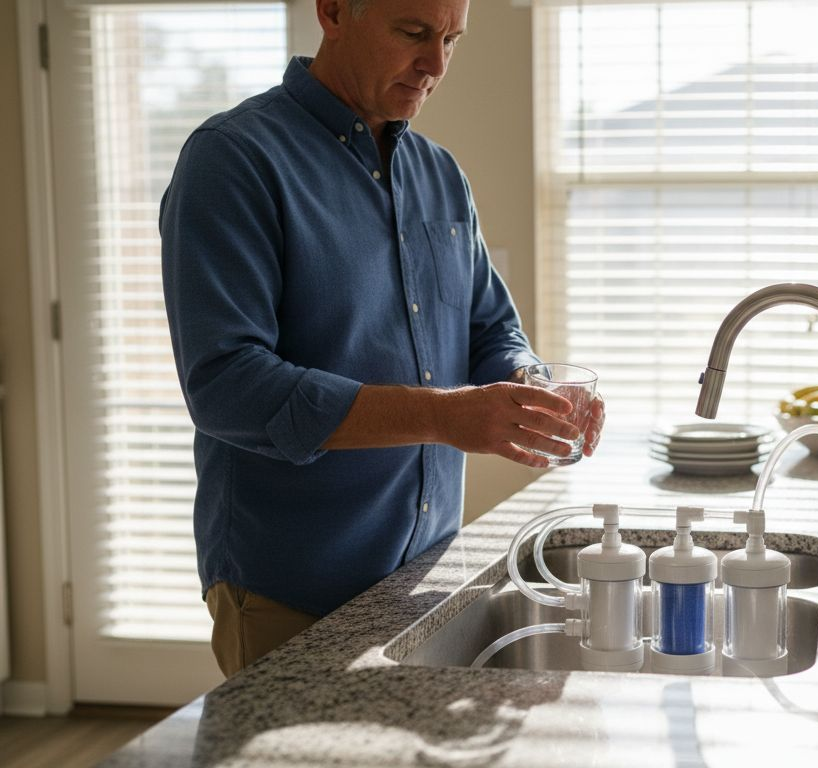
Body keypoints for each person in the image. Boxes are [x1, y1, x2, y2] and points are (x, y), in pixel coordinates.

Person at [160, 0, 603, 677]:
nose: (436, 65)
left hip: (425, 577)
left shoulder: (440, 174)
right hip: (290, 590)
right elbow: (229, 387)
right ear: (334, 11)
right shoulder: (233, 160)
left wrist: (531, 389)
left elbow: (490, 328)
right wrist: (443, 416)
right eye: (413, 34)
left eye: (452, 39)